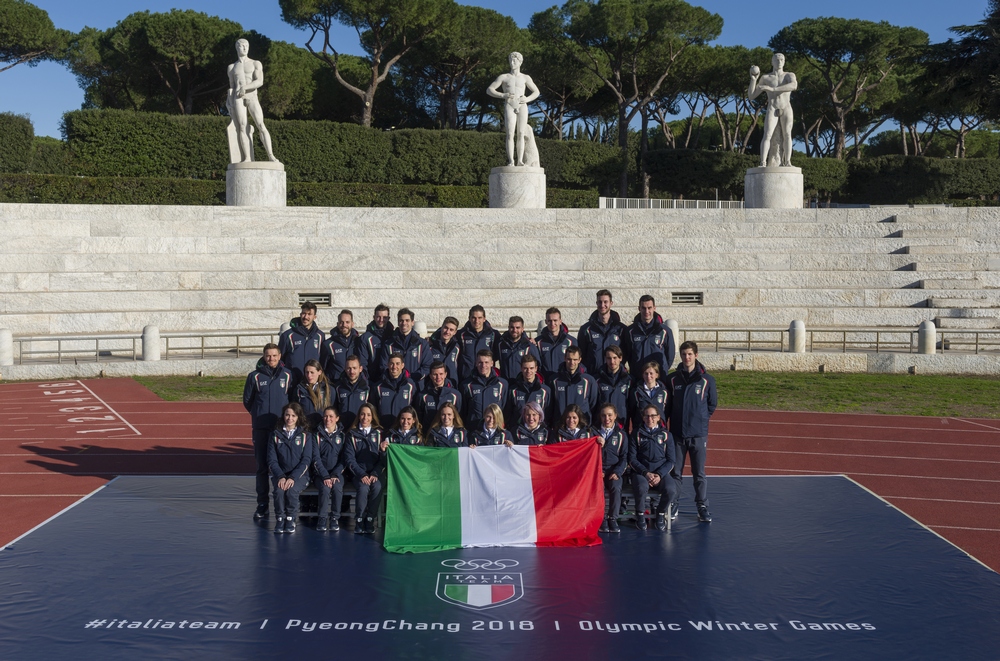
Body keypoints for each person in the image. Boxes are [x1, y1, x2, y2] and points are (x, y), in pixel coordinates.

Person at [666, 341, 718, 523]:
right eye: (683, 354)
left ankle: (702, 506)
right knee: (676, 473)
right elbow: (668, 406)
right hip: (677, 434)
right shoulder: (672, 379)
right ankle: (674, 504)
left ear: (696, 355)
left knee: (699, 473)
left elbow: (712, 405)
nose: (686, 358)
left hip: (698, 435)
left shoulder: (707, 380)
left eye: (689, 354)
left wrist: (700, 420)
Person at [243, 343, 292, 520]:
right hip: (262, 429)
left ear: (280, 356)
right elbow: (247, 401)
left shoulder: (287, 376)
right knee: (262, 467)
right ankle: (262, 504)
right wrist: (259, 415)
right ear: (264, 357)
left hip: (282, 430)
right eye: (268, 356)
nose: (271, 359)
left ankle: (287, 504)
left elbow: (291, 400)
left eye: (274, 355)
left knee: (285, 466)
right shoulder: (254, 377)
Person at [486, 51, 541, 167]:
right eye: (510, 60)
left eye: (514, 60)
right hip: (509, 104)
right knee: (510, 134)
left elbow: (536, 92)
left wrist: (527, 99)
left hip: (522, 104)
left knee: (521, 133)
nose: (512, 62)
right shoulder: (504, 77)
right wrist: (502, 95)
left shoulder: (526, 78)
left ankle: (520, 161)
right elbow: (489, 90)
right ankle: (511, 161)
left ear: (520, 62)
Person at [226, 38, 278, 163]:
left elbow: (259, 81)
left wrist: (245, 87)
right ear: (236, 48)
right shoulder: (231, 67)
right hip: (238, 98)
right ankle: (247, 158)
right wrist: (229, 100)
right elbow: (232, 87)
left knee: (261, 125)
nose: (244, 48)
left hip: (252, 96)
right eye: (242, 46)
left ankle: (271, 155)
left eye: (246, 46)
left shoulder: (256, 63)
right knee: (242, 127)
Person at [628, 405, 677, 532]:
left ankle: (660, 514)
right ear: (643, 418)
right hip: (641, 472)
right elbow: (632, 459)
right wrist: (645, 473)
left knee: (671, 489)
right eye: (647, 416)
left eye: (653, 416)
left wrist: (659, 474)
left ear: (658, 418)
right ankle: (640, 515)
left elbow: (671, 460)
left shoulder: (666, 435)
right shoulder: (636, 433)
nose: (650, 419)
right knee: (641, 487)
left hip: (661, 473)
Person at [266, 402, 312, 534]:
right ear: (283, 416)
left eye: (293, 415)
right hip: (280, 475)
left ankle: (291, 518)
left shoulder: (305, 436)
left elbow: (306, 460)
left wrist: (292, 477)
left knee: (291, 491)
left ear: (298, 417)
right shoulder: (275, 435)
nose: (290, 418)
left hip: (300, 476)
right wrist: (280, 476)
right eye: (287, 415)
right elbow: (272, 460)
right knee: (279, 492)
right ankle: (280, 518)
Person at [748, 52, 797, 168]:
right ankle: (763, 162)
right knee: (767, 134)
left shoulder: (789, 75)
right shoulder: (765, 78)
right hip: (772, 107)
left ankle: (787, 162)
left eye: (781, 59)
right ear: (772, 62)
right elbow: (751, 96)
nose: (779, 61)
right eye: (776, 59)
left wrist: (772, 89)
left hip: (786, 107)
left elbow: (794, 86)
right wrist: (754, 80)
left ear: (784, 62)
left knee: (787, 134)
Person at [344, 403, 384, 534]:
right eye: (362, 414)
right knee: (363, 487)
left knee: (377, 487)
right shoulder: (352, 434)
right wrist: (361, 474)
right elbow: (349, 459)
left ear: (372, 417)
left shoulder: (379, 433)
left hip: (375, 473)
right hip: (359, 474)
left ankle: (370, 519)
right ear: (358, 416)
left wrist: (375, 473)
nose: (365, 417)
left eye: (368, 415)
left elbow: (383, 458)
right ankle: (360, 519)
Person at [312, 406, 347, 532]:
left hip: (337, 474)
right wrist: (325, 476)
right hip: (320, 475)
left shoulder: (343, 436)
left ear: (337, 418)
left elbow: (344, 459)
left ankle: (334, 518)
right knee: (325, 488)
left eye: (331, 416)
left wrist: (335, 474)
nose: (328, 419)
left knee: (337, 488)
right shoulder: (316, 436)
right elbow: (315, 458)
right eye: (326, 416)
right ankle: (322, 517)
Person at [595, 403, 627, 533]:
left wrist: (617, 472)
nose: (606, 418)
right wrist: (597, 471)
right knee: (599, 490)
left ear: (615, 416)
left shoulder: (621, 435)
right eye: (603, 415)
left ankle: (612, 518)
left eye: (609, 415)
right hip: (597, 471)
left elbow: (625, 457)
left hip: (613, 471)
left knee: (615, 487)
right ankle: (601, 518)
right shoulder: (593, 432)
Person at [578, 290, 627, 375]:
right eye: (600, 302)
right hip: (593, 376)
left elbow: (626, 353)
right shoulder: (586, 329)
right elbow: (581, 354)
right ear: (596, 303)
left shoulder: (621, 329)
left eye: (605, 302)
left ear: (611, 303)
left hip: (614, 378)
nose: (602, 305)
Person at [625, 295, 674, 380]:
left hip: (659, 379)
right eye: (643, 308)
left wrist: (661, 370)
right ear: (639, 308)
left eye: (649, 308)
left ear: (654, 308)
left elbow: (670, 355)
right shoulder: (630, 331)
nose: (646, 311)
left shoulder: (665, 331)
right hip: (638, 378)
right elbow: (628, 354)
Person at [379, 308, 433, 383]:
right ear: (398, 323)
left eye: (407, 320)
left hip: (416, 387)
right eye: (401, 320)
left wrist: (413, 378)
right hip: (395, 386)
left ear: (412, 322)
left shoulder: (422, 344)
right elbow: (384, 365)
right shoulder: (389, 344)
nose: (404, 323)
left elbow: (427, 366)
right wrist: (395, 377)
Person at [460, 349, 509, 430]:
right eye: (480, 362)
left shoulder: (502, 384)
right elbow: (464, 411)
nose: (483, 365)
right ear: (476, 363)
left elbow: (506, 409)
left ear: (492, 363)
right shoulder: (466, 385)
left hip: (496, 432)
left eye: (486, 362)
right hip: (474, 431)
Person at [278, 302, 325, 386]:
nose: (305, 317)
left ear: (314, 317)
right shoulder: (287, 335)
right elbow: (280, 359)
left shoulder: (320, 336)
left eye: (309, 314)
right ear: (300, 314)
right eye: (303, 313)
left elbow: (323, 359)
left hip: (312, 382)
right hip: (292, 382)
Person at [550, 346, 598, 426]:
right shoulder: (554, 380)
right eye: (569, 359)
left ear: (580, 360)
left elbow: (593, 404)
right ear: (565, 358)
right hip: (560, 426)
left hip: (582, 427)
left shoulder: (589, 380)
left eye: (575, 359)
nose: (572, 362)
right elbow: (551, 405)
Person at [456, 305, 502, 382]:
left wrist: (527, 339)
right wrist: (432, 338)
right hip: (466, 378)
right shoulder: (461, 334)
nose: (476, 321)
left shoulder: (493, 334)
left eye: (479, 318)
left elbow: (509, 339)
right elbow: (446, 333)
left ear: (484, 319)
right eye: (474, 318)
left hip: (486, 378)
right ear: (469, 318)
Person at [373, 353, 417, 429]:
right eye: (392, 364)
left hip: (404, 430)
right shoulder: (378, 386)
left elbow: (415, 409)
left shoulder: (411, 385)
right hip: (383, 429)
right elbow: (373, 410)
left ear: (402, 365)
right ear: (387, 365)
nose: (394, 367)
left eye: (397, 364)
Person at [507, 354, 551, 426]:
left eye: (531, 368)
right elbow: (508, 414)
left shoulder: (545, 391)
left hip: (539, 433)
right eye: (525, 368)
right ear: (521, 368)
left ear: (536, 368)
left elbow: (548, 414)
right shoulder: (513, 390)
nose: (528, 371)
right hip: (518, 432)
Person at [416, 361, 463, 429]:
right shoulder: (422, 396)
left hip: (450, 436)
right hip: (429, 435)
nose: (438, 377)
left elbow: (459, 416)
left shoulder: (455, 395)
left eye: (441, 374)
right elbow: (419, 419)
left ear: (445, 374)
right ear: (430, 376)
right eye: (435, 374)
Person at [536, 307, 577, 382]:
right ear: (546, 321)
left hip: (564, 382)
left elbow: (577, 364)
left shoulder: (571, 341)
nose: (552, 323)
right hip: (546, 382)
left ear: (560, 321)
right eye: (549, 321)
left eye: (555, 320)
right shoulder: (538, 342)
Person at [321, 309, 362, 382]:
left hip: (354, 386)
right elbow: (322, 368)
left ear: (352, 324)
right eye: (341, 322)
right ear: (337, 324)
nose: (344, 325)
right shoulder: (328, 344)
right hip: (335, 385)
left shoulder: (358, 342)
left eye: (347, 322)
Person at [628, 361, 669, 431]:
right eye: (646, 373)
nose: (648, 376)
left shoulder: (664, 392)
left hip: (659, 430)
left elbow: (667, 410)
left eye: (651, 373)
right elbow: (632, 410)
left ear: (657, 375)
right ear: (643, 375)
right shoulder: (636, 392)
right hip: (641, 429)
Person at [497, 316, 540, 381]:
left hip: (521, 385)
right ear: (508, 328)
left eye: (517, 328)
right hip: (506, 383)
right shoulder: (501, 345)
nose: (514, 330)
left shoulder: (529, 346)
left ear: (522, 329)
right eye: (512, 327)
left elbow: (538, 366)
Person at [333, 355, 370, 430]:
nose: (352, 371)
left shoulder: (368, 387)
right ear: (345, 369)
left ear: (360, 369)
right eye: (349, 368)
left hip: (360, 430)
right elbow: (334, 409)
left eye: (354, 368)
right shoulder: (337, 387)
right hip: (342, 429)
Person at [596, 345, 631, 425]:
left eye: (615, 358)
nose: (612, 361)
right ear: (605, 359)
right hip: (603, 422)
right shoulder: (597, 380)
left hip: (622, 422)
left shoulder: (629, 380)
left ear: (620, 358)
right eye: (609, 358)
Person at [360, 304, 393, 383]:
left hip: (390, 380)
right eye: (378, 317)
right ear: (374, 317)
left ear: (388, 318)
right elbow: (363, 362)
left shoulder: (394, 336)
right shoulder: (365, 338)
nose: (381, 320)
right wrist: (366, 380)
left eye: (384, 317)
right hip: (372, 380)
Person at [295, 359, 332, 430]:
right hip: (305, 429)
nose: (309, 375)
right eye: (307, 372)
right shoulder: (299, 390)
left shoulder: (328, 389)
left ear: (319, 372)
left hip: (323, 429)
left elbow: (333, 409)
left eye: (312, 372)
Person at [428, 316, 462, 385]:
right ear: (441, 327)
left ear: (455, 332)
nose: (447, 332)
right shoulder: (430, 346)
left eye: (451, 330)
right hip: (434, 386)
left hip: (452, 385)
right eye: (445, 328)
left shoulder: (457, 347)